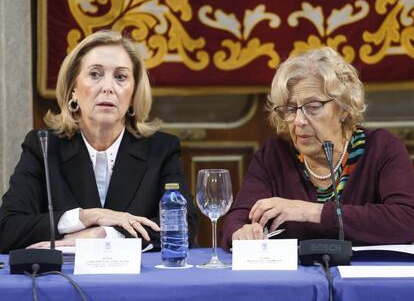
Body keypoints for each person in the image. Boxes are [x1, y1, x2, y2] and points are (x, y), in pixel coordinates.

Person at [0, 30, 197, 253]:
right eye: (95, 74)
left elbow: (182, 228)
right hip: (61, 283)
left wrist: (103, 234)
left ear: (133, 95)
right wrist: (87, 217)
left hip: (138, 284)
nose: (108, 87)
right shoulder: (44, 147)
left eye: (121, 77)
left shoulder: (161, 150)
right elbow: (7, 229)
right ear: (73, 89)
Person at [221, 47, 414, 250]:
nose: (298, 120)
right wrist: (241, 233)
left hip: (366, 280)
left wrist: (313, 212)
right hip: (295, 281)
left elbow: (407, 219)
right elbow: (237, 220)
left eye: (313, 107)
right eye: (290, 109)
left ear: (343, 107)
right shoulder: (274, 155)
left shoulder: (382, 148)